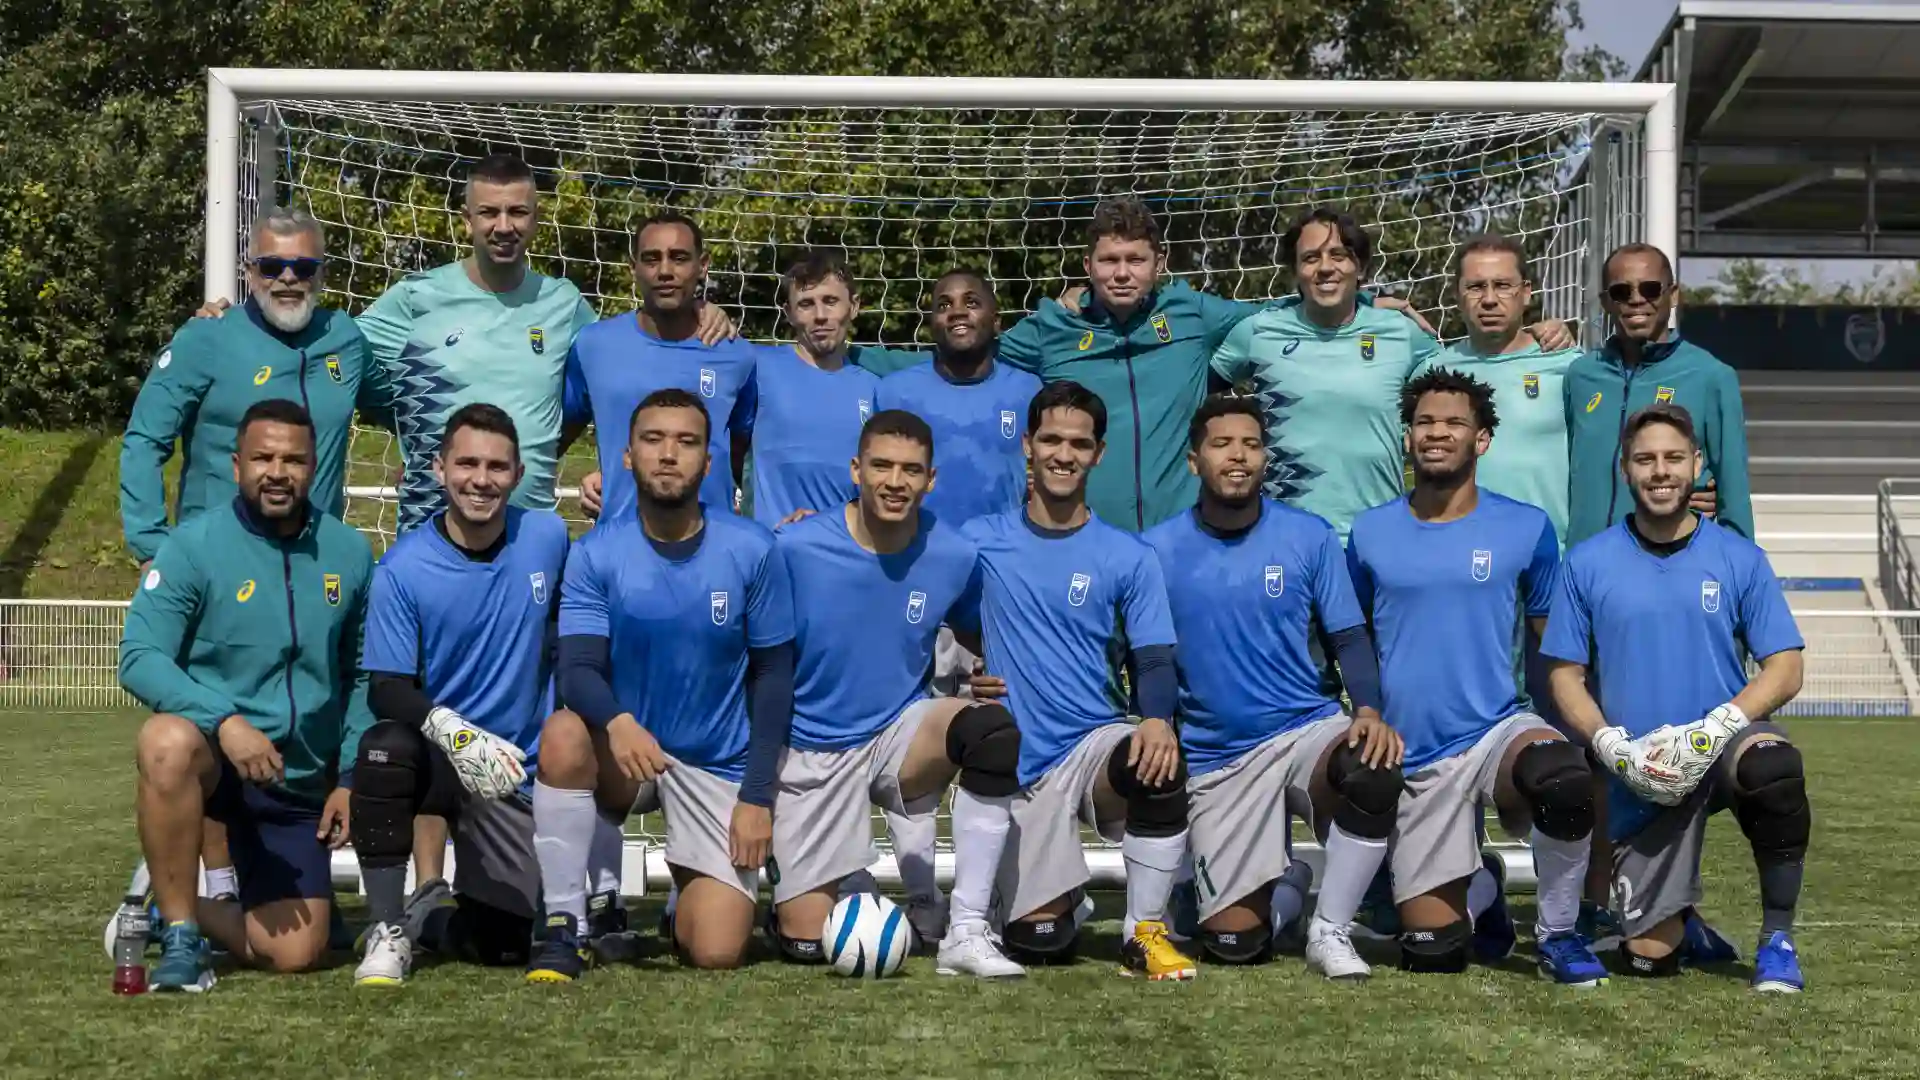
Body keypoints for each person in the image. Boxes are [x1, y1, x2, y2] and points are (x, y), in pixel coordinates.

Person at [1346, 368, 1607, 987]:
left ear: (1482, 440)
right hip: (1412, 752)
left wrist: (1584, 725)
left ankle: (1559, 934)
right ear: (1406, 437)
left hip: (1497, 730)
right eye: (1424, 423)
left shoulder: (1528, 527)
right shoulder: (1368, 531)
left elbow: (1554, 641)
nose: (1437, 433)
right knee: (1431, 953)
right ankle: (1483, 887)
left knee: (1565, 781)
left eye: (1454, 422)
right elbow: (1351, 636)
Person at [528, 389, 793, 979]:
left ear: (709, 460)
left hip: (715, 764)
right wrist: (619, 722)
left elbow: (774, 677)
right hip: (627, 754)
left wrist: (755, 796)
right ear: (628, 457)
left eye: (686, 442)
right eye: (653, 440)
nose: (668, 454)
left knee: (717, 952)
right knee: (565, 732)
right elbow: (577, 669)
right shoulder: (596, 553)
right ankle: (566, 922)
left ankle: (681, 899)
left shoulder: (753, 549)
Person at [1544, 403, 1808, 993]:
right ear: (1625, 469)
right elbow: (1565, 675)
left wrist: (1716, 728)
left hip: (1719, 746)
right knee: (1647, 962)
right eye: (1645, 459)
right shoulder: (1586, 562)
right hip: (1642, 764)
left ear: (1696, 465)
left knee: (1774, 767)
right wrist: (1611, 746)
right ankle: (1680, 925)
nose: (1659, 471)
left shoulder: (1739, 557)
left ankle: (1778, 939)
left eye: (1671, 458)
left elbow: (1786, 667)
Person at [118, 399, 374, 991]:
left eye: (293, 459)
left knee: (297, 954)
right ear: (237, 465)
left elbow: (362, 673)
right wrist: (224, 720)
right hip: (216, 764)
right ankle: (183, 938)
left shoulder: (350, 553)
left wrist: (349, 776)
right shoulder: (192, 547)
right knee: (165, 741)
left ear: (315, 467)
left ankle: (158, 911)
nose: (277, 472)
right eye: (262, 457)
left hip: (295, 782)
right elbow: (139, 656)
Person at [1143, 395, 1402, 980]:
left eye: (1251, 444)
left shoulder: (1308, 537)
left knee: (1371, 765)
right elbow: (1153, 658)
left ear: (1266, 458)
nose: (1238, 456)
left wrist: (1367, 708)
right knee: (1234, 945)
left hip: (1303, 730)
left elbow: (1349, 638)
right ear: (1193, 461)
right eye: (1222, 444)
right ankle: (1283, 886)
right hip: (1219, 757)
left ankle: (1331, 931)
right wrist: (1156, 717)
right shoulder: (1156, 550)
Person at [769, 409, 1025, 978]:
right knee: (810, 941)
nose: (895, 481)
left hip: (895, 738)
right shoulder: (794, 546)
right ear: (856, 470)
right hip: (808, 753)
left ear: (931, 480)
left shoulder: (953, 555)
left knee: (988, 732)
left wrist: (986, 665)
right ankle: (822, 877)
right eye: (881, 466)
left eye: (911, 470)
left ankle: (967, 927)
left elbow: (975, 625)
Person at [962, 380, 1198, 980]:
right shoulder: (978, 542)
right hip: (1014, 766)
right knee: (1040, 945)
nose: (1064, 454)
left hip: (1091, 747)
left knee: (1160, 762)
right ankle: (1061, 899)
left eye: (1079, 443)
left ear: (1099, 454)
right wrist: (966, 673)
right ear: (1027, 446)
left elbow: (1153, 658)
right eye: (1051, 440)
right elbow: (918, 600)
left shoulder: (1128, 555)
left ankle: (1143, 932)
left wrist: (1154, 720)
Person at [346, 403, 571, 987]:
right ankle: (387, 925)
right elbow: (387, 689)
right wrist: (455, 732)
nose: (481, 479)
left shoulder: (546, 536)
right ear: (439, 469)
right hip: (446, 760)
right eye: (467, 463)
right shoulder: (403, 568)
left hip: (513, 775)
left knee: (504, 944)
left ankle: (433, 917)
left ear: (518, 475)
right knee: (384, 747)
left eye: (498, 466)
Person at [121, 207, 381, 565]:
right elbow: (145, 440)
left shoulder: (346, 340)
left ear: (322, 275)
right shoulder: (206, 338)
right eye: (272, 267)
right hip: (217, 567)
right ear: (250, 273)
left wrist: (422, 464)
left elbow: (404, 407)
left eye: (303, 268)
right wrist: (152, 547)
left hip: (315, 567)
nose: (287, 278)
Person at [874, 268, 1043, 697]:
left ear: (997, 319)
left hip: (997, 592)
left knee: (993, 734)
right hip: (913, 582)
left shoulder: (1027, 391)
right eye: (943, 304)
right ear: (930, 321)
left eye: (971, 301)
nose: (956, 312)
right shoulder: (894, 392)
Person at [567, 212, 759, 524]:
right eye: (652, 259)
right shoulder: (594, 345)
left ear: (703, 265)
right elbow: (557, 435)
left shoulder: (736, 355)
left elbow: (745, 454)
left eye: (679, 258)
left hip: (712, 546)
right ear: (634, 268)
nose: (665, 271)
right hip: (621, 544)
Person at [1564, 242, 1752, 547]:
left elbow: (1734, 495)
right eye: (1621, 292)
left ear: (1673, 295)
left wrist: (1740, 574)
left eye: (1650, 289)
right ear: (1605, 302)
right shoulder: (1580, 376)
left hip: (1671, 563)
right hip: (1585, 566)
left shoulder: (1712, 376)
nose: (1637, 300)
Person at [740, 252, 879, 526]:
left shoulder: (874, 388)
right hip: (773, 548)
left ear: (854, 306)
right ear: (789, 313)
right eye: (806, 304)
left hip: (845, 550)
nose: (820, 316)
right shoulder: (757, 369)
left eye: (830, 301)